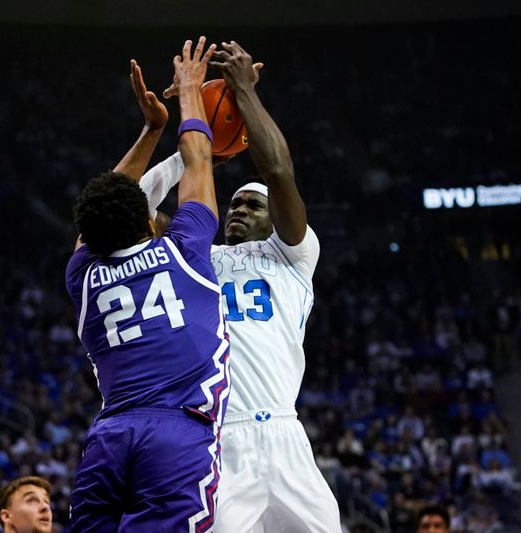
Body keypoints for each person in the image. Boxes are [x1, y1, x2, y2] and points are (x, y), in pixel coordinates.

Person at [139, 40, 341, 532]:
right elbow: (132, 208)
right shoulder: (195, 257)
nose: (236, 210)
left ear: (276, 219)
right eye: (232, 204)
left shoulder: (294, 255)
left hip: (287, 435)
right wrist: (192, 148)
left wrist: (244, 93)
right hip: (219, 440)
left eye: (251, 206)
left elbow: (277, 170)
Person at [65, 37, 230, 531]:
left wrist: (150, 129)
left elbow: (101, 208)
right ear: (145, 211)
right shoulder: (184, 249)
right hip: (176, 434)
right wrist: (189, 94)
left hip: (110, 436)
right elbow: (199, 159)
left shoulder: (84, 277)